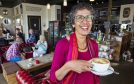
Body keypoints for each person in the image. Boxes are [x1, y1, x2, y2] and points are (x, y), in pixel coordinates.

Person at [50, 3, 100, 84]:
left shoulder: (94, 44)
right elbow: (53, 77)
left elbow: (95, 69)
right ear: (73, 23)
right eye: (80, 18)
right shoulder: (62, 44)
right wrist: (69, 66)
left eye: (88, 18)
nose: (85, 22)